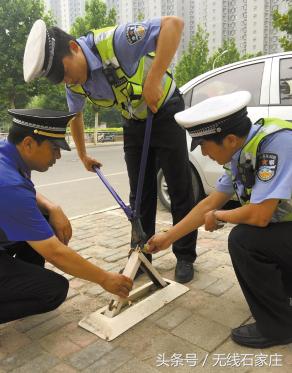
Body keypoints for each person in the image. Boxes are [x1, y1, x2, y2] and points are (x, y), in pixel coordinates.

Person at [22, 17, 197, 283]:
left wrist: (155, 78)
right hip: (133, 119)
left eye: (66, 73)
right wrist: (82, 154)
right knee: (139, 194)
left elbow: (173, 25)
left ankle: (185, 255)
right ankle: (142, 254)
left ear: (74, 48)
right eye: (62, 80)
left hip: (164, 109)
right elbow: (75, 116)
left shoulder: (114, 42)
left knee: (178, 183)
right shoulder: (73, 83)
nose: (68, 81)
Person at [147, 90, 292, 348]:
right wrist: (168, 237)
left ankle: (278, 327)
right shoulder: (242, 152)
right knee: (257, 237)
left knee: (245, 240)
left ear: (231, 139)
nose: (202, 154)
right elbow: (209, 203)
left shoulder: (276, 144)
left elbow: (259, 216)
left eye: (203, 145)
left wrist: (219, 217)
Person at [0, 108, 132, 324]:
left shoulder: (7, 155)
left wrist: (53, 207)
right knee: (54, 290)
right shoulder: (8, 183)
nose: (59, 156)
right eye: (54, 149)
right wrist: (104, 278)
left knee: (41, 219)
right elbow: (55, 253)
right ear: (28, 144)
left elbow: (23, 192)